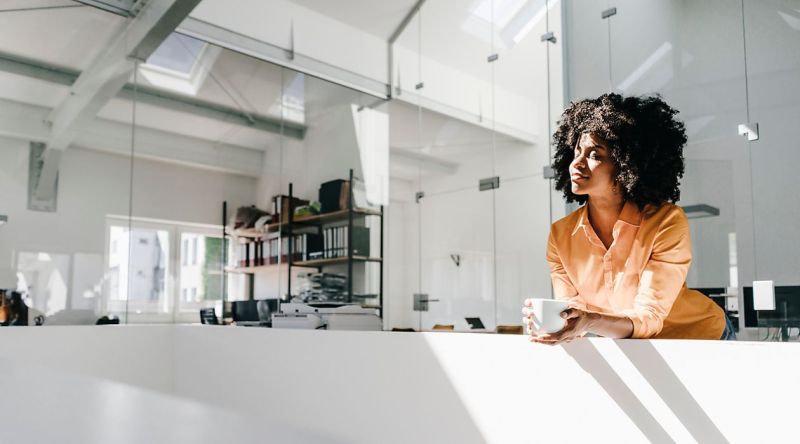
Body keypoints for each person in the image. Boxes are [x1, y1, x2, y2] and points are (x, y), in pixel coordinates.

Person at [523, 93, 732, 344]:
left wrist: (588, 321)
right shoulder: (561, 235)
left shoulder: (666, 221)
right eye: (577, 151)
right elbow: (574, 312)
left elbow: (649, 317)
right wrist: (559, 322)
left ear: (626, 165)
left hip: (698, 335)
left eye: (594, 155)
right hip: (632, 346)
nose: (576, 164)